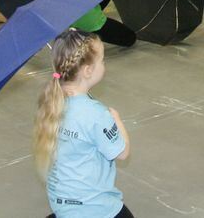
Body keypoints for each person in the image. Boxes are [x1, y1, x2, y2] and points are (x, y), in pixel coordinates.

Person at [34, 29, 132, 217]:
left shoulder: (52, 103)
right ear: (88, 71)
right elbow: (122, 153)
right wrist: (117, 120)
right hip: (93, 208)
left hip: (60, 204)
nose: (104, 64)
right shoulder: (96, 114)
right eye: (102, 60)